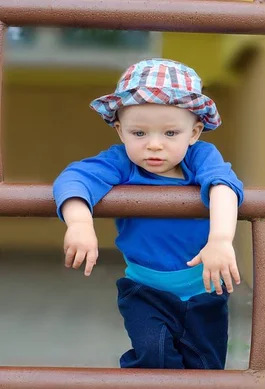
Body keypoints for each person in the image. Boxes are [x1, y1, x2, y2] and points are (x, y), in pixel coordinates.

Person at [53, 58, 244, 369]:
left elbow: (224, 186)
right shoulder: (121, 163)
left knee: (205, 368)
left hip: (205, 291)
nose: (154, 146)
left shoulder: (200, 157)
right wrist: (79, 221)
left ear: (194, 132)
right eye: (139, 133)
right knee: (153, 357)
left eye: (170, 133)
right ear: (120, 131)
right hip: (146, 292)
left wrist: (221, 240)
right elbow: (74, 178)